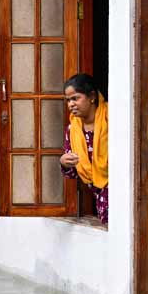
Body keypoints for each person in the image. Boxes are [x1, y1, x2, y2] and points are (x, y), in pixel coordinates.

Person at [59, 74, 109, 224]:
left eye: (75, 98)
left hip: (122, 191)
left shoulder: (113, 118)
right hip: (100, 197)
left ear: (92, 96)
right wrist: (64, 161)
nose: (71, 104)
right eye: (68, 100)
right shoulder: (72, 129)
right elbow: (73, 171)